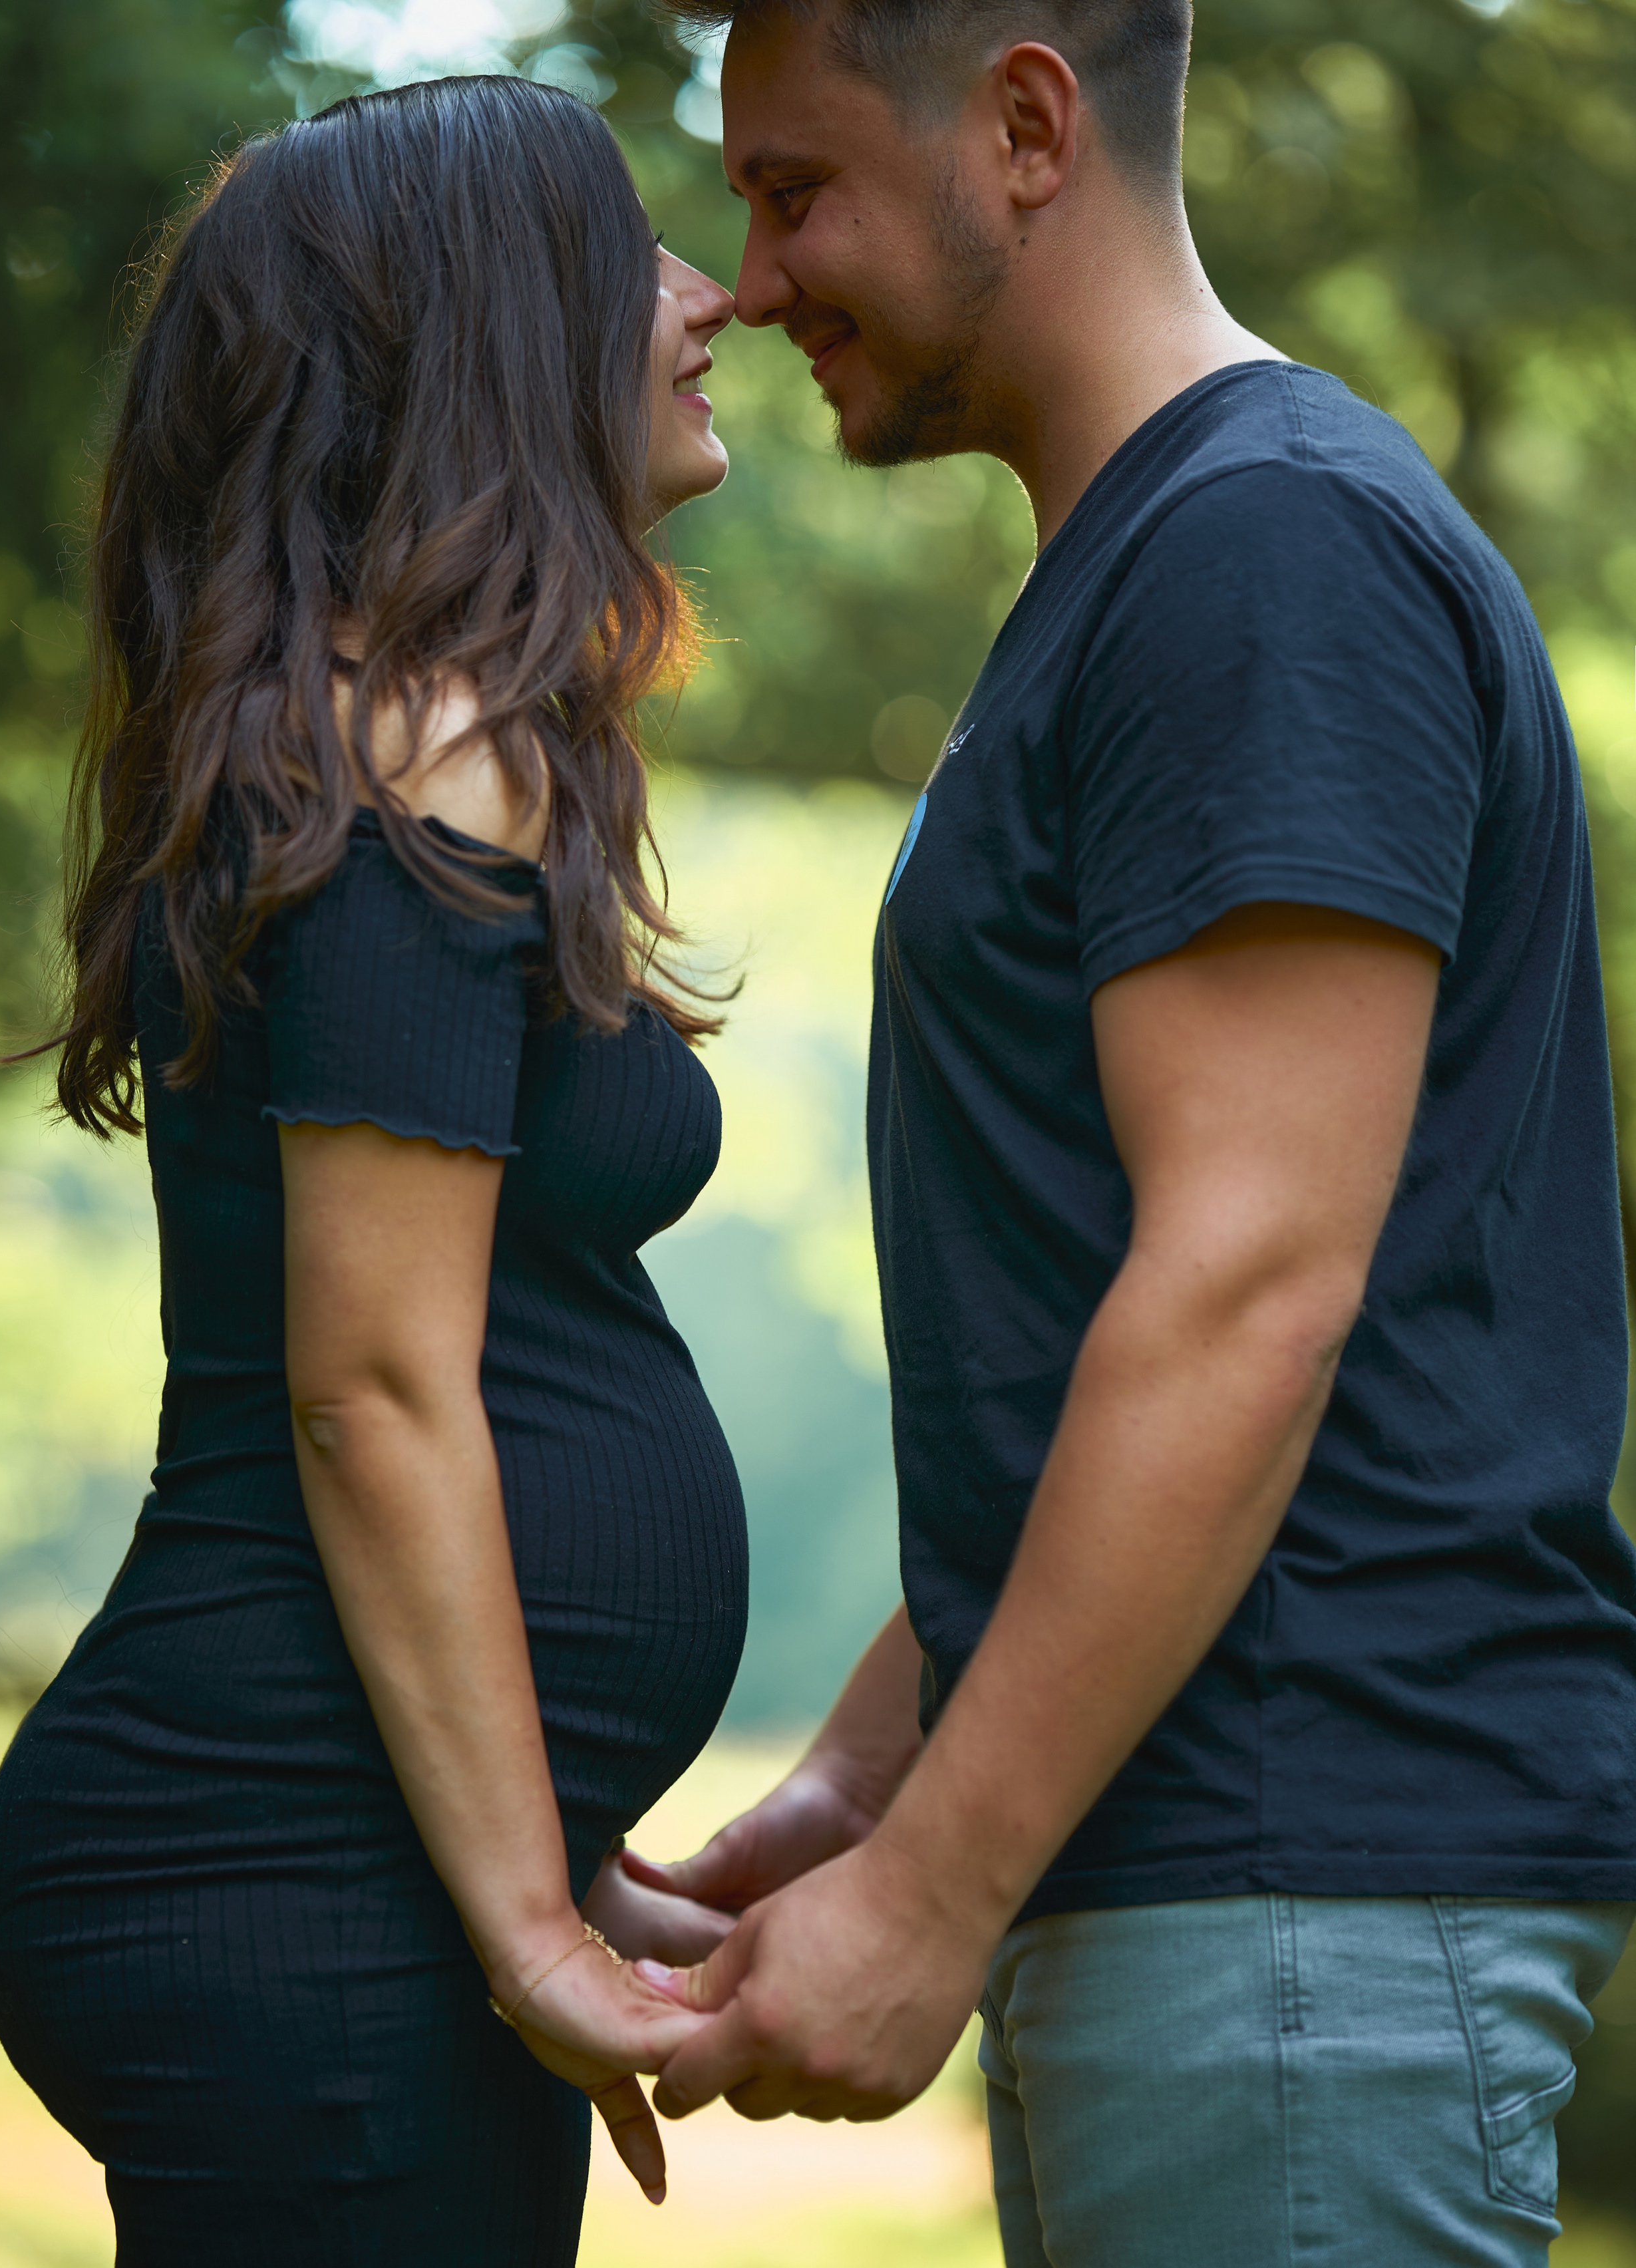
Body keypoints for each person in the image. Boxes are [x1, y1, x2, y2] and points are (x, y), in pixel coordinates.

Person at [629, 5, 1636, 2262]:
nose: (755, 280)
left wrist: (935, 1889)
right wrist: (864, 1779)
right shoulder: (1158, 565)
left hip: (1291, 1892)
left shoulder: (1261, 551)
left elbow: (1247, 1293)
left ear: (1023, 123)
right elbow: (1126, 1300)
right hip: (1229, 1898)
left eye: (797, 192)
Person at [0, 75, 744, 2267]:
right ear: (500, 329)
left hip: (336, 1855)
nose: (711, 296)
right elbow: (373, 1388)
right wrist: (525, 1922)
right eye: (634, 254)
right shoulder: (422, 744)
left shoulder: (392, 742)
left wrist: (552, 1837)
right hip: (281, 1867)